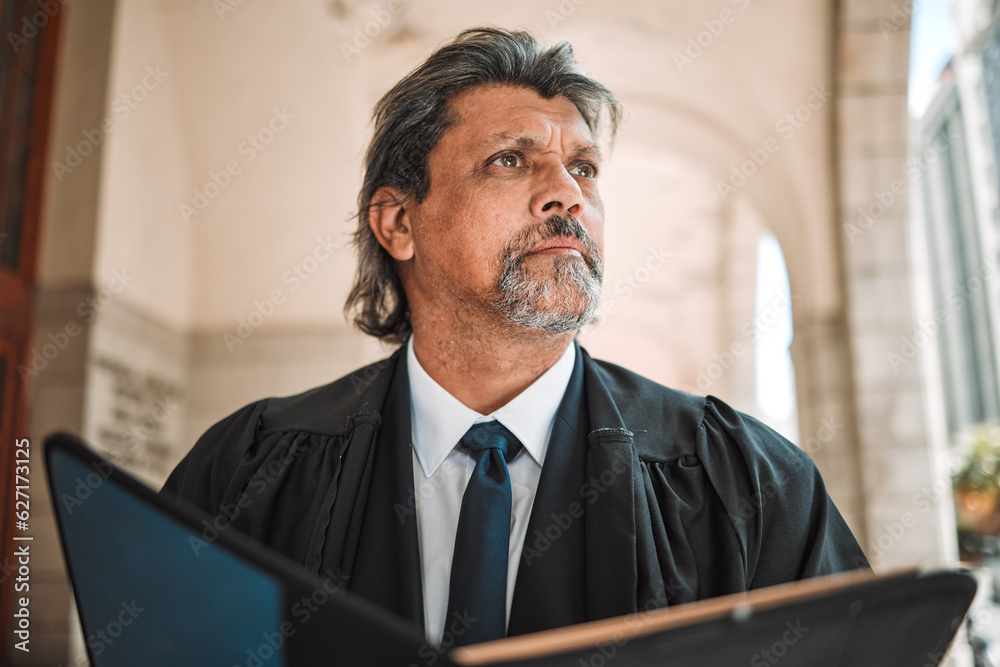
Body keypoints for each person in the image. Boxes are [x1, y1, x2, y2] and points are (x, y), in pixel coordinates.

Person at [162, 26, 869, 648]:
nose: (568, 193)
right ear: (398, 223)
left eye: (584, 168)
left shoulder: (744, 482)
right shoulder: (248, 473)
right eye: (511, 159)